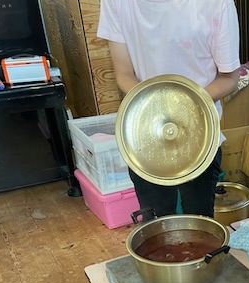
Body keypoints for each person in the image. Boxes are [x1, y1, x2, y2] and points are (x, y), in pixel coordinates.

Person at [97, 0, 240, 218]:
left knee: (198, 221)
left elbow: (229, 78)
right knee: (155, 221)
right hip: (144, 134)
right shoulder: (116, 2)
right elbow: (124, 74)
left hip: (199, 134)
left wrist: (180, 104)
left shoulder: (216, 4)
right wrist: (158, 105)